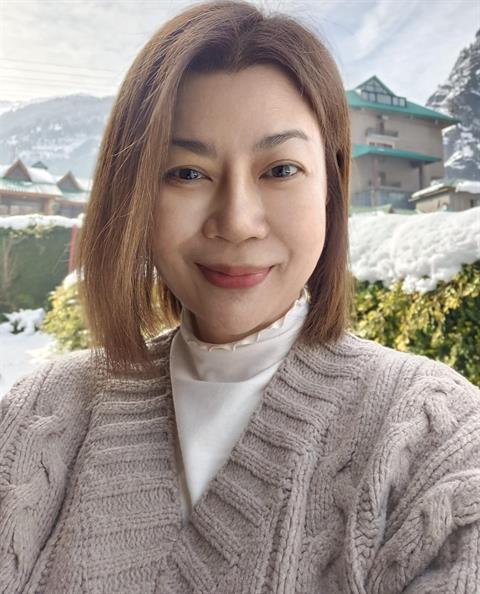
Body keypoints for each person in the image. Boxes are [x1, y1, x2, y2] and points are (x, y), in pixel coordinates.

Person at [1, 1, 479, 592]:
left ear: (330, 187)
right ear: (135, 196)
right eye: (187, 172)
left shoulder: (438, 442)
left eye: (280, 170)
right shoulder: (37, 418)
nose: (236, 222)